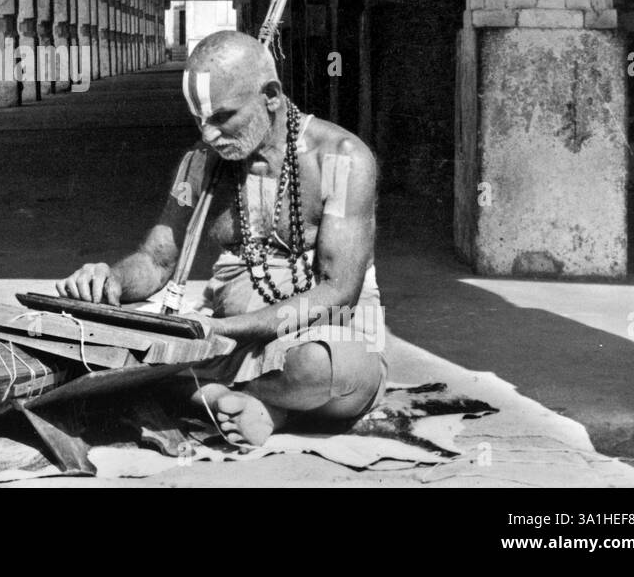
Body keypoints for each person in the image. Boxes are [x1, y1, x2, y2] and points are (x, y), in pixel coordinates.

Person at [55, 30, 386, 448]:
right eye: (199, 120)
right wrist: (111, 281)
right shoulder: (200, 163)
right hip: (222, 339)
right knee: (98, 356)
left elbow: (338, 291)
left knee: (319, 369)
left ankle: (223, 400)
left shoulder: (341, 157)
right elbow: (156, 260)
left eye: (222, 117)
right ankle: (257, 403)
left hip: (323, 333)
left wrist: (228, 329)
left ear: (271, 95)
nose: (209, 135)